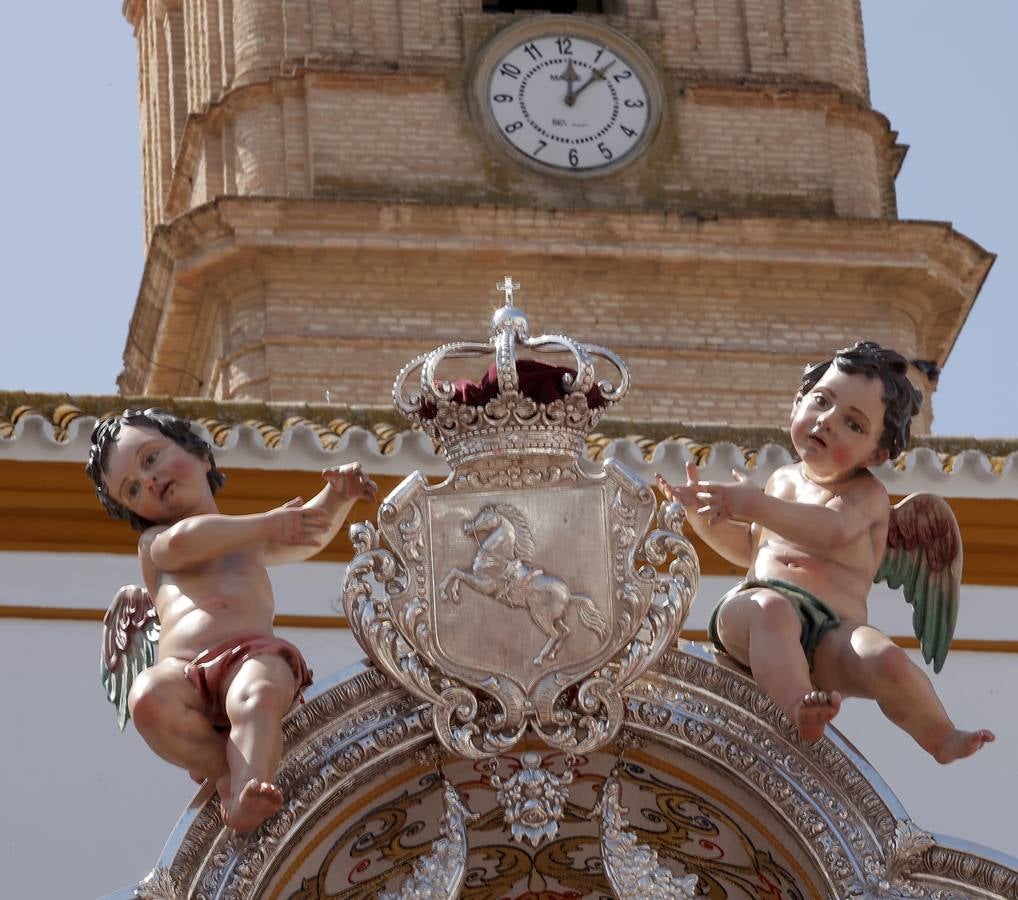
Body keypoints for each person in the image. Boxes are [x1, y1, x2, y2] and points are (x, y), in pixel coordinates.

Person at [658, 342, 993, 763]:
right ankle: (801, 706)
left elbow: (833, 533)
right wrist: (703, 517)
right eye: (821, 401)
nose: (829, 422)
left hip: (832, 634)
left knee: (886, 659)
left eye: (853, 424)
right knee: (772, 609)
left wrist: (752, 503)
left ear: (877, 453)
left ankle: (940, 736)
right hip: (753, 616)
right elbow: (750, 548)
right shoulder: (781, 480)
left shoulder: (867, 496)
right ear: (796, 405)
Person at [87, 409, 376, 831]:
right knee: (146, 696)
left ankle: (248, 789)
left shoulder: (248, 538)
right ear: (137, 512)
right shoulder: (157, 543)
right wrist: (271, 522)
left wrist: (339, 496)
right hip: (185, 675)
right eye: (132, 489)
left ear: (201, 456)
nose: (148, 480)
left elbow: (306, 534)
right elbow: (188, 543)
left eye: (151, 459)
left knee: (257, 694)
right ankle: (221, 767)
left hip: (253, 656)